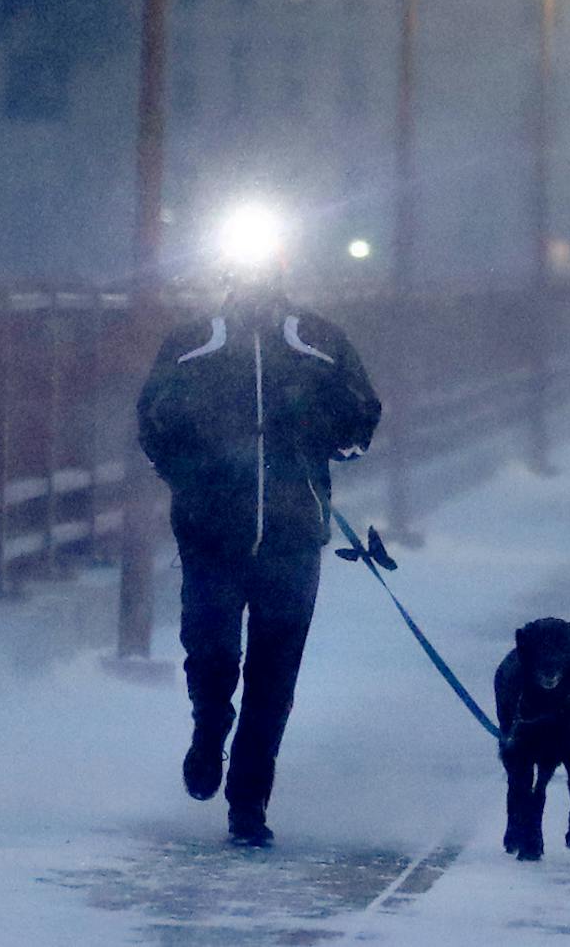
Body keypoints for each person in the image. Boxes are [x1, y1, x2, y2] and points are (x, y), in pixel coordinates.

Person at [136, 248, 380, 848]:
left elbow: (362, 417)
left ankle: (248, 805)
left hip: (293, 537)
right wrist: (189, 477)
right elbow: (153, 422)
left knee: (273, 680)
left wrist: (326, 430)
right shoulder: (193, 341)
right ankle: (209, 726)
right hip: (211, 534)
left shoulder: (318, 339)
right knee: (212, 651)